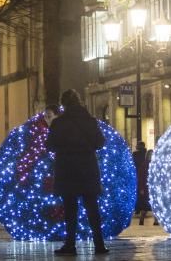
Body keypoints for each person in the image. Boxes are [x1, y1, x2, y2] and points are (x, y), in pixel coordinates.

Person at [45, 89, 108, 256]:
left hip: (67, 169)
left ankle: (70, 245)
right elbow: (100, 142)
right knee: (92, 208)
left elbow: (49, 145)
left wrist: (64, 148)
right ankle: (99, 244)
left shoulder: (59, 123)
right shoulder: (90, 121)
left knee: (70, 210)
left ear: (63, 104)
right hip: (87, 168)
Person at [132, 141, 149, 225]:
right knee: (143, 195)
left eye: (138, 145)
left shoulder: (135, 155)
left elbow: (133, 163)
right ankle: (141, 209)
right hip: (142, 176)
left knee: (139, 193)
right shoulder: (146, 154)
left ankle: (139, 209)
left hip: (138, 174)